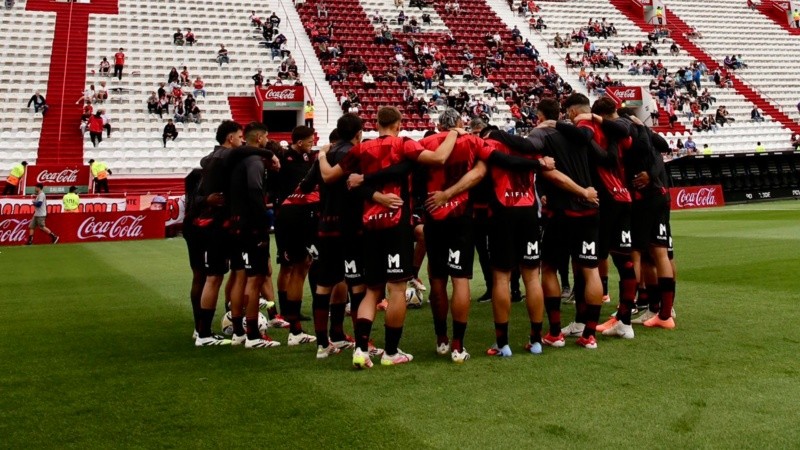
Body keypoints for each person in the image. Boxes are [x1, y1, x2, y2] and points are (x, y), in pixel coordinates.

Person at [318, 106, 461, 368]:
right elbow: (440, 158)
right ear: (398, 124)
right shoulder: (404, 143)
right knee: (396, 288)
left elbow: (330, 177)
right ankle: (391, 352)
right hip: (396, 223)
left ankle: (361, 350)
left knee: (372, 289)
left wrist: (321, 156)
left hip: (369, 225)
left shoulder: (361, 149)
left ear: (375, 124)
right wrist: (452, 133)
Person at [529, 97, 604, 349]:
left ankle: (554, 333)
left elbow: (552, 174)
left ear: (540, 117)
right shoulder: (580, 133)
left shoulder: (542, 137)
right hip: (590, 210)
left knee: (548, 267)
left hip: (563, 212)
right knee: (589, 269)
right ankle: (589, 334)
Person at [228, 122, 281, 348]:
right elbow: (254, 191)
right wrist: (263, 220)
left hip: (236, 223)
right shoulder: (254, 162)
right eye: (266, 136)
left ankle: (239, 331)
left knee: (241, 276)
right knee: (255, 277)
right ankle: (252, 336)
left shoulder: (236, 159)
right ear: (259, 138)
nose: (268, 140)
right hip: (252, 226)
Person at [273, 126, 319, 346]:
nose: (312, 143)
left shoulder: (308, 157)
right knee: (292, 266)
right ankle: (290, 318)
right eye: (310, 141)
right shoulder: (282, 158)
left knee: (299, 266)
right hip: (294, 215)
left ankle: (293, 319)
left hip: (294, 215)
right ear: (300, 142)